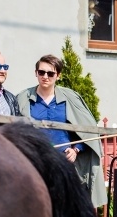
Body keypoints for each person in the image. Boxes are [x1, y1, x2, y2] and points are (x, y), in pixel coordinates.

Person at [17, 55, 106, 207]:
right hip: (37, 163)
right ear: (36, 73)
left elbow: (88, 130)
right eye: (41, 72)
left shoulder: (70, 98)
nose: (45, 77)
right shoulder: (23, 98)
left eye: (50, 73)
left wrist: (76, 149)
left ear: (58, 75)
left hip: (64, 163)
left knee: (66, 209)